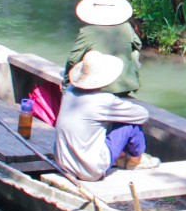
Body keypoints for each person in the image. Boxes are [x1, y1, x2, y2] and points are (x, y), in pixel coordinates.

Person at [55, 51, 157, 181]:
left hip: (64, 163)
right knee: (131, 125)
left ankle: (122, 157)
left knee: (109, 121)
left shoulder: (70, 92)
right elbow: (142, 115)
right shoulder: (104, 101)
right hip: (90, 170)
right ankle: (136, 161)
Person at [66, 0, 142, 96]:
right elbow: (138, 45)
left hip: (97, 86)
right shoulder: (127, 27)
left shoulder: (87, 32)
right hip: (125, 85)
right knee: (134, 53)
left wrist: (66, 82)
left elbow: (73, 59)